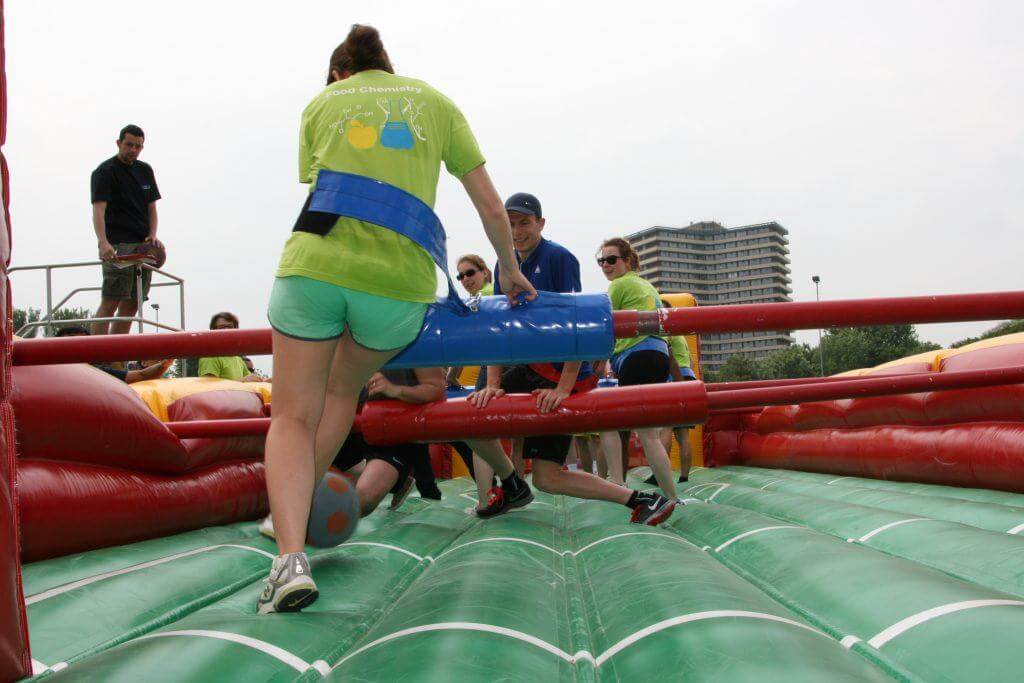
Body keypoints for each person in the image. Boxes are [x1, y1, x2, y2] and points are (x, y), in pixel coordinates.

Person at [258, 25, 536, 615]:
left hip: (314, 270)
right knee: (341, 389)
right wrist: (507, 270)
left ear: (340, 73)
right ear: (388, 64)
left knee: (291, 414)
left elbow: (324, 189)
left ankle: (288, 556)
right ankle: (299, 505)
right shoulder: (435, 102)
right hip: (396, 289)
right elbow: (490, 204)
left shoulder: (320, 104)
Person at [470, 198, 675, 525]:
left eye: (524, 223)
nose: (517, 231)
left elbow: (574, 324)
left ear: (541, 223)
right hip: (529, 366)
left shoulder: (558, 258)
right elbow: (499, 326)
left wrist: (563, 388)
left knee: (548, 477)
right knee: (472, 416)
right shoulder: (503, 263)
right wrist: (493, 385)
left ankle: (642, 498)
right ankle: (511, 483)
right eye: (510, 224)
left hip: (564, 372)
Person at [597, 238, 678, 502]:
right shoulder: (646, 285)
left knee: (609, 422)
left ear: (627, 261)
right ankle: (672, 495)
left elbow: (604, 330)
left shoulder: (618, 286)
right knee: (649, 434)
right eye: (601, 261)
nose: (605, 265)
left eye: (611, 259)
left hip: (639, 357)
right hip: (658, 356)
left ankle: (617, 483)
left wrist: (597, 366)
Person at [90, 124, 162, 336]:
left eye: (138, 146)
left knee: (132, 303)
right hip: (118, 245)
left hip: (142, 246)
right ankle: (95, 355)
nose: (133, 150)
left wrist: (153, 234)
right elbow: (98, 209)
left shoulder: (145, 170)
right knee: (111, 300)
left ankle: (116, 357)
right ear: (119, 143)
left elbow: (152, 207)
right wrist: (103, 242)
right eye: (129, 145)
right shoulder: (105, 172)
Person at [660, 299, 696, 484]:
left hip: (673, 377)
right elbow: (690, 362)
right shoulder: (681, 334)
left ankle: (661, 474)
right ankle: (684, 476)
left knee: (666, 428)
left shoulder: (665, 331)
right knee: (683, 434)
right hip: (688, 379)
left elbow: (665, 355)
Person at [55, 326, 173, 383]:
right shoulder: (49, 372)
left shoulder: (98, 374)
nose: (76, 351)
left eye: (81, 345)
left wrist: (163, 365)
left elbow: (141, 375)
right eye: (70, 345)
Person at [200, 312, 271, 383]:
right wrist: (242, 381)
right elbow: (209, 387)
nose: (226, 330)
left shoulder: (237, 358)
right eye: (222, 327)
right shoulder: (210, 357)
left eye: (229, 327)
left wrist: (267, 382)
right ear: (213, 330)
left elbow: (251, 382)